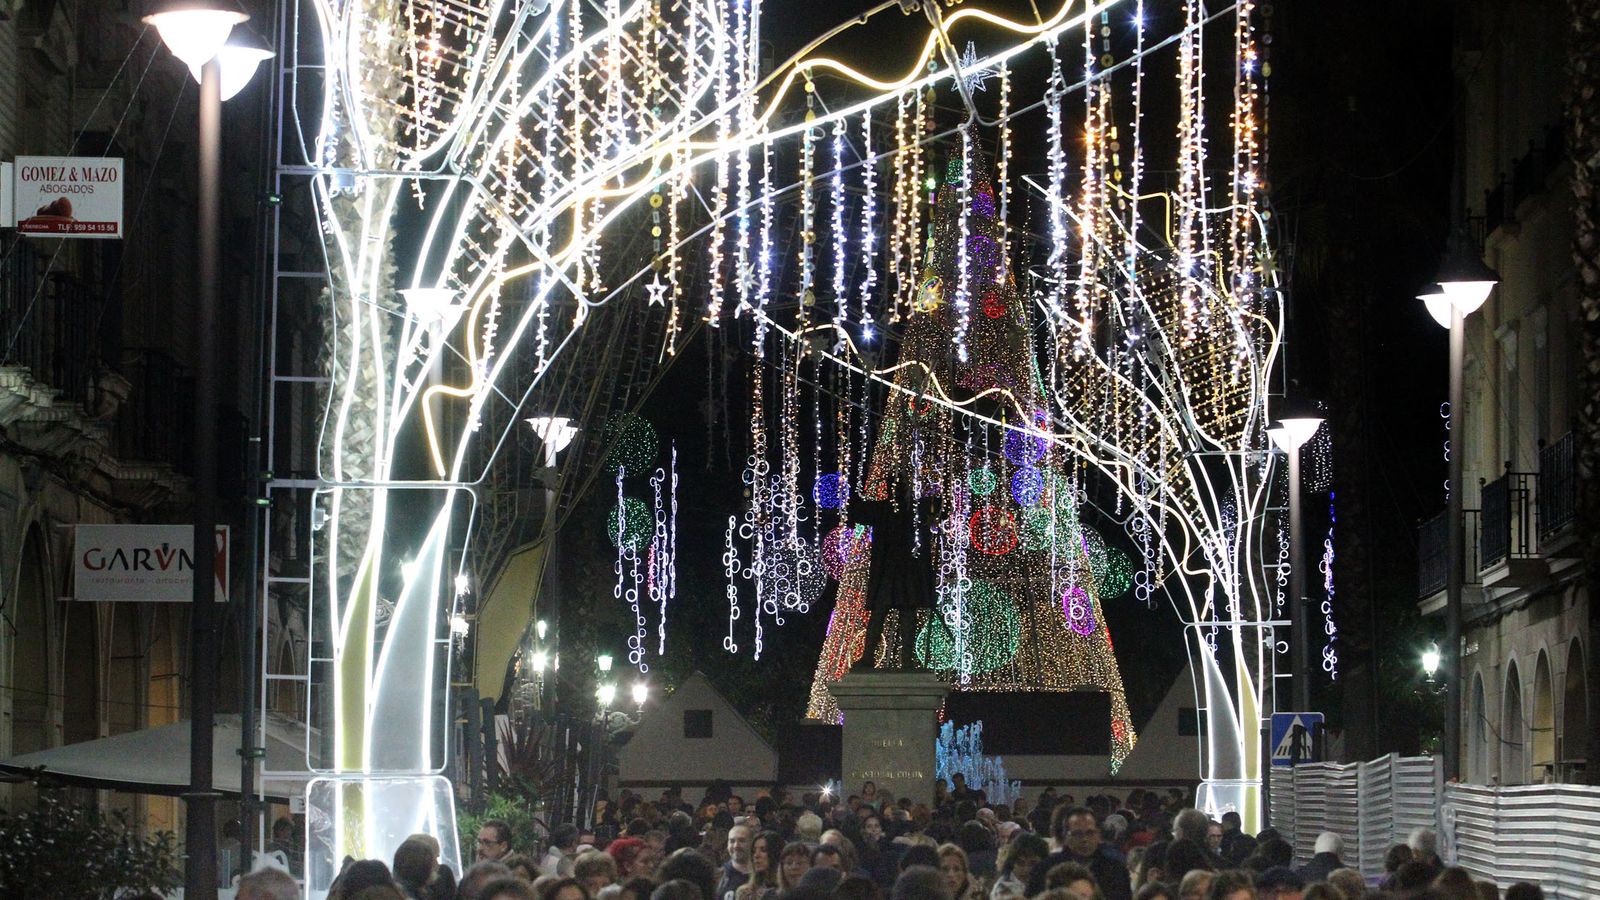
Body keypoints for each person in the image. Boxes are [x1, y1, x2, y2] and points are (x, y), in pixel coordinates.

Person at [1027, 806, 1131, 900]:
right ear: (1066, 836)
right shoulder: (1045, 869)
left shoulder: (1115, 869)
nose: (1084, 839)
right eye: (1077, 834)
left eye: (1090, 833)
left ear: (1098, 835)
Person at [989, 833, 1048, 900]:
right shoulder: (1003, 888)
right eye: (1020, 863)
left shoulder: (1048, 882)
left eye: (1033, 863)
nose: (1026, 869)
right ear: (1012, 863)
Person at [738, 831, 785, 900]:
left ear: (776, 854)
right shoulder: (746, 893)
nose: (756, 855)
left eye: (763, 850)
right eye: (754, 851)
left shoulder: (787, 891)